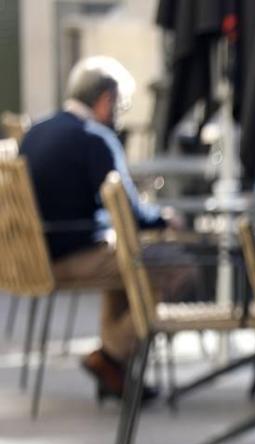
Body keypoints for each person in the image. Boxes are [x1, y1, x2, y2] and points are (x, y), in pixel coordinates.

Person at [20, 56, 192, 401]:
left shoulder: (36, 131)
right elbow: (130, 210)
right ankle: (110, 355)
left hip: (34, 254)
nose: (118, 114)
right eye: (120, 105)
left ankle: (112, 367)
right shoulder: (95, 139)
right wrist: (165, 218)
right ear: (105, 100)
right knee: (176, 265)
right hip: (70, 255)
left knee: (127, 258)